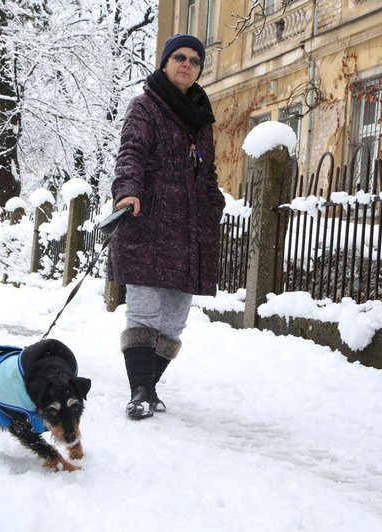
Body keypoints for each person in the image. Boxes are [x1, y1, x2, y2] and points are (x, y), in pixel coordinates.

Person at [108, 34, 225, 420]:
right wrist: (128, 191)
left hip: (189, 233)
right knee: (144, 312)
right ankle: (139, 391)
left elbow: (206, 172)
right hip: (148, 222)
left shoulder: (201, 120)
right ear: (164, 62)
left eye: (195, 60)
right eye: (179, 57)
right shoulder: (145, 107)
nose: (187, 64)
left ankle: (150, 387)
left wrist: (214, 205)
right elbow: (131, 153)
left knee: (174, 321)